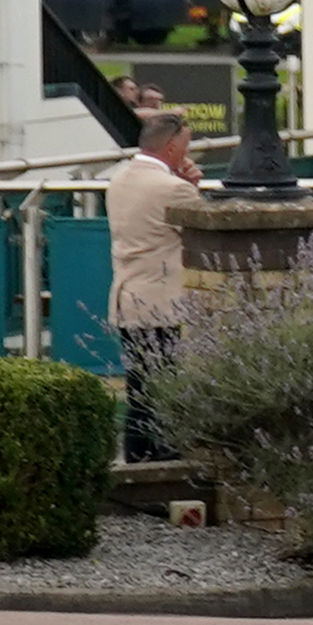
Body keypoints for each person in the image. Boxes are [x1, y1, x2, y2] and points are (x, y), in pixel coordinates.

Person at [98, 108, 199, 461]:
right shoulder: (173, 189)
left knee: (140, 387)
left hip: (128, 296)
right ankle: (162, 460)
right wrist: (190, 188)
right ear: (172, 148)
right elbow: (202, 233)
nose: (188, 154)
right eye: (186, 147)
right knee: (165, 387)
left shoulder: (119, 180)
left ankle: (137, 459)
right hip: (162, 300)